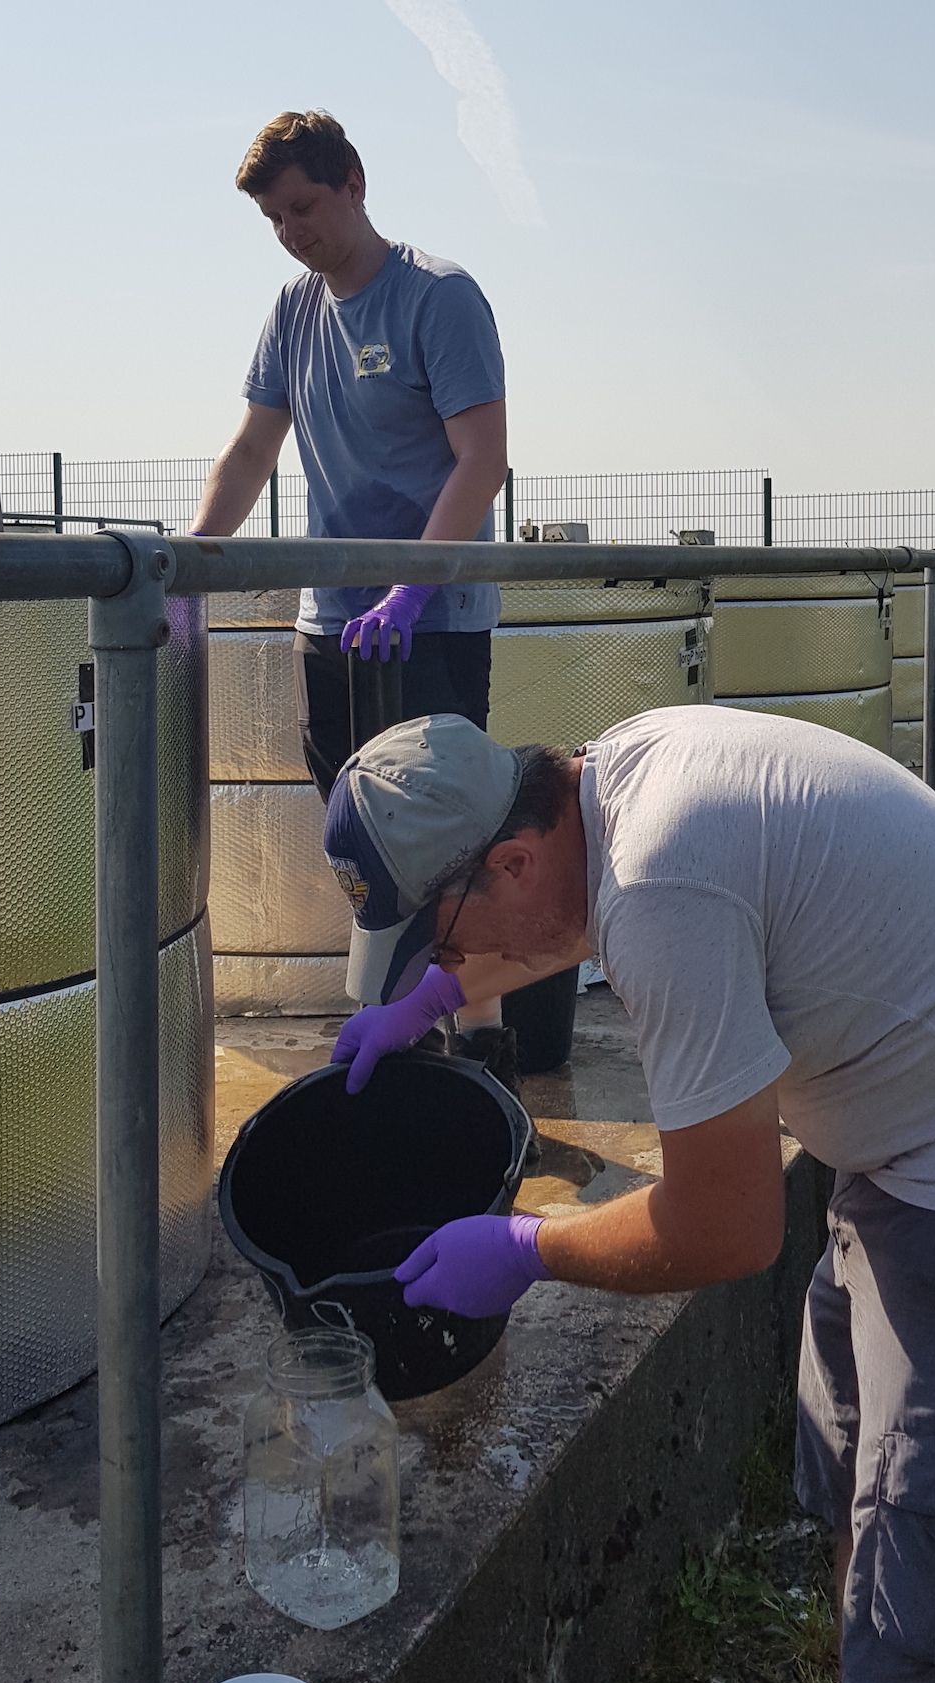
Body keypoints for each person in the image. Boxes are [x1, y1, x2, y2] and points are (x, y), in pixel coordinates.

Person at [322, 704, 935, 1683]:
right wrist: (419, 1010)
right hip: (913, 1139)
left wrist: (525, 1247)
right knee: (863, 1492)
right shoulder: (606, 789)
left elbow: (726, 1227)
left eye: (440, 938)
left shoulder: (661, 880)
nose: (447, 966)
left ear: (510, 857)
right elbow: (552, 919)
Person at [190, 107, 529, 1116]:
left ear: (354, 183)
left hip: (432, 623)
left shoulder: (438, 298)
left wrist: (413, 587)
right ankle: (399, 1033)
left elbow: (483, 459)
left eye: (304, 206)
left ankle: (483, 1043)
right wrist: (186, 570)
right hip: (333, 627)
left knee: (448, 840)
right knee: (364, 845)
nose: (293, 231)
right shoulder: (293, 312)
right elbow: (253, 450)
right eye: (275, 219)